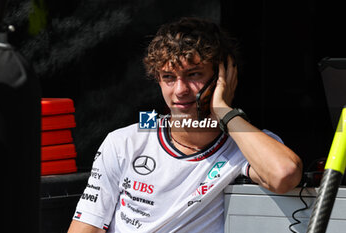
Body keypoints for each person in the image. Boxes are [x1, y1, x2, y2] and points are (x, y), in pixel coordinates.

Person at [68, 17, 302, 233]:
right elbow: (86, 227)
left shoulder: (245, 142)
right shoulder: (124, 142)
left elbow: (284, 174)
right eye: (169, 77)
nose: (180, 90)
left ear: (224, 76)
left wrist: (225, 112)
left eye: (194, 75)